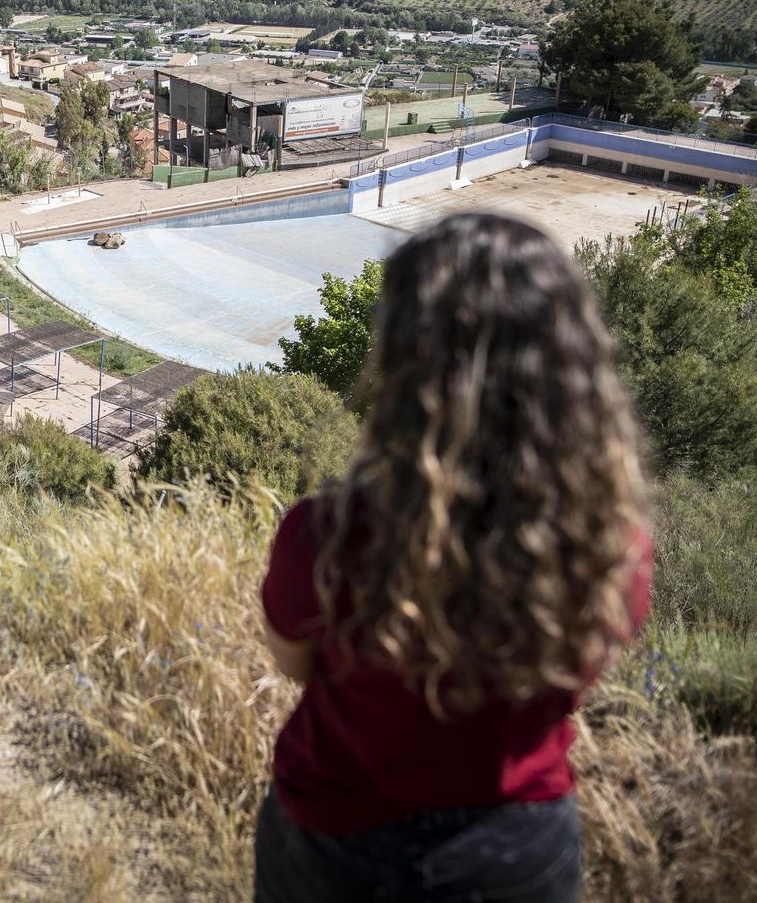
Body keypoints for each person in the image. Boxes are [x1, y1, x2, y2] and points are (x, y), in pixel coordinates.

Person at [256, 213, 653, 902]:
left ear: (408, 366)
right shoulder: (611, 552)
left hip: (333, 839)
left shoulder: (323, 537)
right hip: (515, 851)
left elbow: (292, 662)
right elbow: (575, 679)